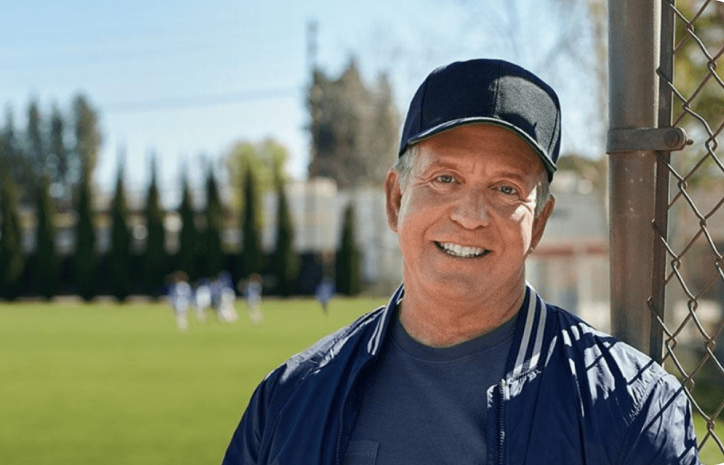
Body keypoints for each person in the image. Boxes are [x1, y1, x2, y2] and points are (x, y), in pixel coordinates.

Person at [222, 59, 699, 464]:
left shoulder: (632, 409)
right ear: (396, 199)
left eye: (506, 188)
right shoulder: (288, 400)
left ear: (539, 223)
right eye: (445, 178)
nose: (470, 216)